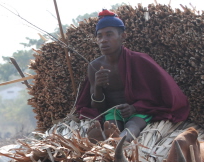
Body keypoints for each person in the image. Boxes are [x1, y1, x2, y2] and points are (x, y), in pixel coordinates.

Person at [75, 10, 189, 142]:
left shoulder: (140, 60)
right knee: (111, 126)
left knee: (132, 125)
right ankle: (109, 139)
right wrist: (98, 87)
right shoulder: (94, 66)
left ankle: (119, 141)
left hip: (138, 110)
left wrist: (134, 108)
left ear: (123, 36)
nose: (103, 40)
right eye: (99, 36)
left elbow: (157, 95)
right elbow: (97, 107)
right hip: (113, 111)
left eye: (109, 34)